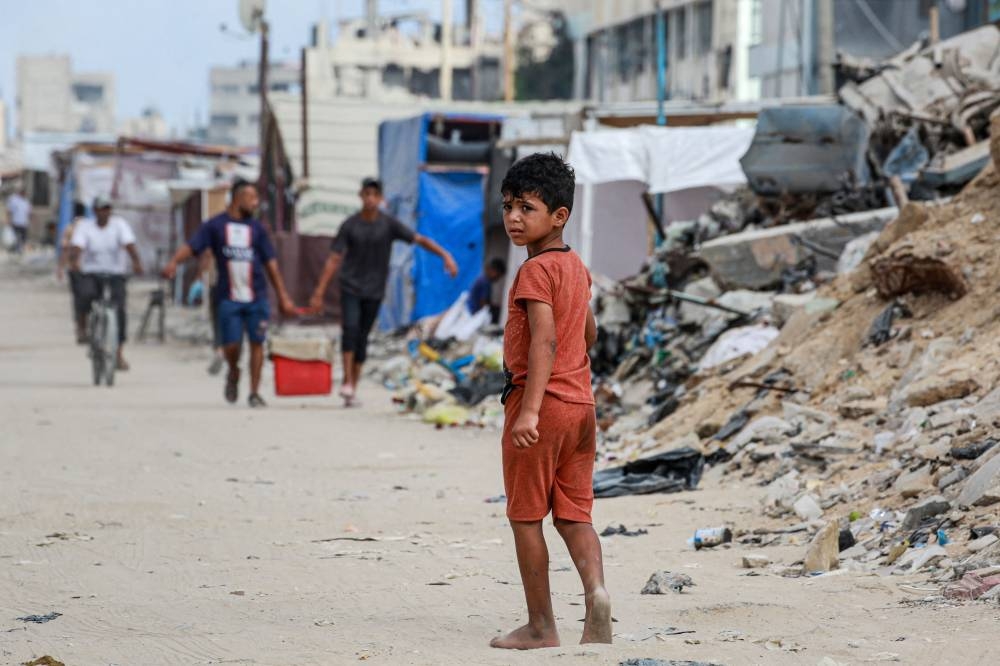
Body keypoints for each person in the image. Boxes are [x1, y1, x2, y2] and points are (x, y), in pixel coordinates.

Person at [491, 153, 611, 650]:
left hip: (541, 406)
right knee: (574, 515)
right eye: (508, 207)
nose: (514, 218)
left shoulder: (535, 272)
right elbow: (590, 331)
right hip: (582, 409)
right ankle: (597, 594)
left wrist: (531, 410)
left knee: (525, 517)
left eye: (527, 208)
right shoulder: (575, 266)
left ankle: (541, 626)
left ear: (559, 216)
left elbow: (544, 341)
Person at [308, 177, 459, 406]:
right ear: (361, 196)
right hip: (350, 286)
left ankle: (353, 387)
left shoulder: (388, 225)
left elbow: (419, 240)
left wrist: (445, 256)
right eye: (366, 194)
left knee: (362, 337)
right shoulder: (350, 225)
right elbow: (333, 259)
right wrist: (319, 292)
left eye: (374, 195)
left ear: (380, 198)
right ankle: (347, 381)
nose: (369, 199)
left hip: (374, 291)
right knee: (349, 330)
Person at [162, 180, 297, 408]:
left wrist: (283, 297)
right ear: (237, 198)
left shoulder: (258, 229)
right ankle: (233, 371)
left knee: (257, 343)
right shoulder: (215, 226)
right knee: (231, 345)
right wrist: (174, 262)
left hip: (257, 297)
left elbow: (271, 264)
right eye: (251, 197)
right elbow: (193, 246)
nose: (256, 203)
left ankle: (254, 392)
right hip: (228, 297)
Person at [69, 196, 144, 369]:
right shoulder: (85, 226)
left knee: (120, 310)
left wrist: (136, 263)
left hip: (115, 274)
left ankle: (118, 354)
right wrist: (74, 260)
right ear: (95, 210)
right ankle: (82, 327)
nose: (104, 212)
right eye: (101, 209)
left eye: (107, 208)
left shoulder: (119, 225)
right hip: (91, 273)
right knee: (84, 295)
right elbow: (77, 247)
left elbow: (129, 244)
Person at [59, 201, 89, 342]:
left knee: (79, 300)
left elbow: (65, 249)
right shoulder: (90, 227)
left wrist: (60, 267)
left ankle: (81, 327)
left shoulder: (70, 228)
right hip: (89, 269)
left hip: (75, 269)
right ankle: (87, 326)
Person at [467, 257, 507, 324]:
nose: (498, 278)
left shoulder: (482, 279)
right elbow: (484, 304)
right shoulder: (485, 282)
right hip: (474, 314)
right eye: (499, 275)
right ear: (494, 271)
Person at [6, 188, 31, 253]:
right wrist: (8, 219)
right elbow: (9, 211)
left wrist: (30, 220)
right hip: (16, 222)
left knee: (23, 237)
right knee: (16, 236)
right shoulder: (14, 200)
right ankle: (17, 249)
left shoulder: (26, 201)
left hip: (24, 222)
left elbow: (28, 212)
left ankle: (21, 248)